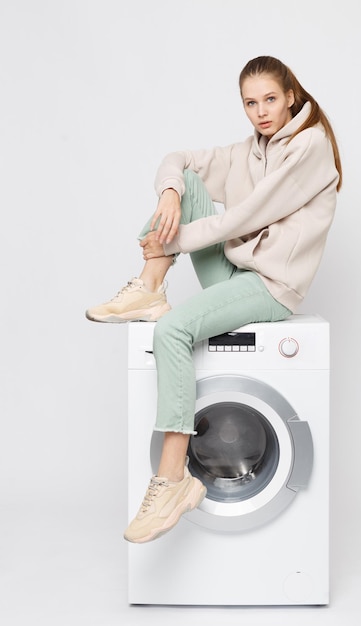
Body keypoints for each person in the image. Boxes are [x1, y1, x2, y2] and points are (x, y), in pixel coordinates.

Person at [86, 55, 342, 544]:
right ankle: (149, 286)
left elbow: (241, 218)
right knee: (187, 186)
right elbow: (178, 158)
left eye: (270, 99)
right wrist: (169, 193)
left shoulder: (310, 147)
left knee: (172, 330)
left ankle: (174, 479)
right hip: (237, 273)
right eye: (250, 103)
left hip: (272, 287)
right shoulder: (252, 148)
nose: (261, 111)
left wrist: (171, 241)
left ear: (291, 95)